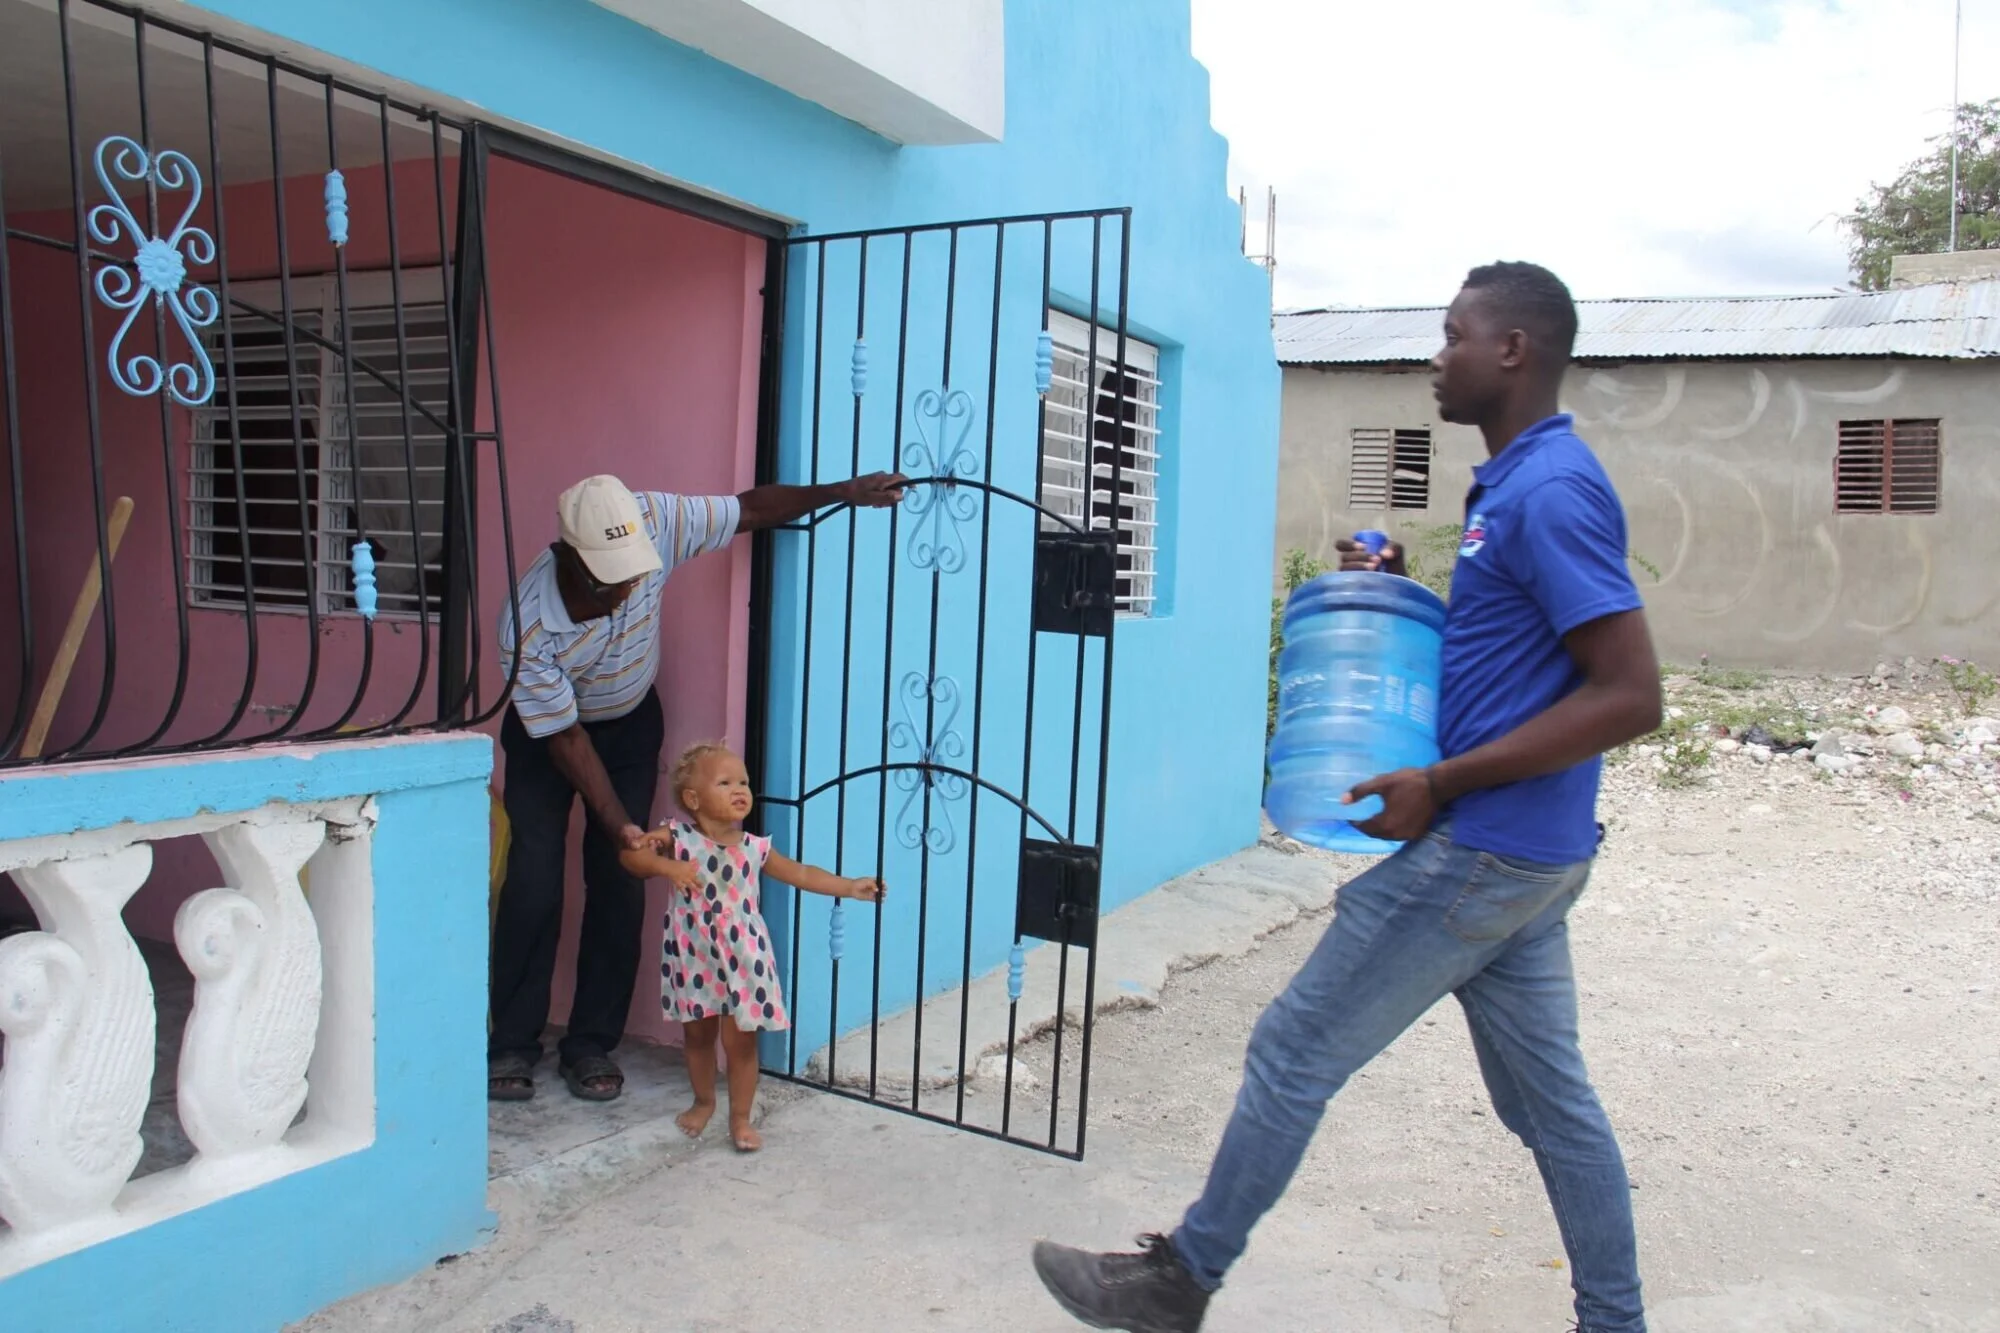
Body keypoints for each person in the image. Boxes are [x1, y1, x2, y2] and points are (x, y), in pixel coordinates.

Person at [1029, 262, 1662, 1333]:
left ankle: (1178, 1281)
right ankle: (1614, 1323)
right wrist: (1396, 577)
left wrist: (1439, 783)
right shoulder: (1512, 483)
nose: (1436, 354)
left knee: (1291, 1046)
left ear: (1512, 350)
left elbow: (1629, 692)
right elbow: (1519, 645)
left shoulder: (1549, 488)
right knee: (1548, 1105)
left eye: (1453, 334)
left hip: (1483, 848)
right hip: (1533, 852)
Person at [487, 470, 904, 1105]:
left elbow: (751, 510)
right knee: (534, 882)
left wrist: (842, 492)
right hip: (551, 739)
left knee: (622, 883)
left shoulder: (653, 521)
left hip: (628, 725)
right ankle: (513, 1043)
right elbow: (566, 739)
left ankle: (591, 1043)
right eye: (611, 582)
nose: (627, 592)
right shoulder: (526, 625)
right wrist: (619, 821)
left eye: (633, 577)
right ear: (567, 558)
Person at [619, 742, 884, 1151]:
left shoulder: (754, 848)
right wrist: (666, 865)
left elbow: (801, 873)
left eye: (742, 781)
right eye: (724, 782)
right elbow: (631, 859)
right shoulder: (677, 837)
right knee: (698, 1036)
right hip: (695, 957)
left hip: (745, 959)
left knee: (742, 1042)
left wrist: (849, 887)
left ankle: (740, 1118)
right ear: (693, 799)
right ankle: (704, 1101)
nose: (739, 789)